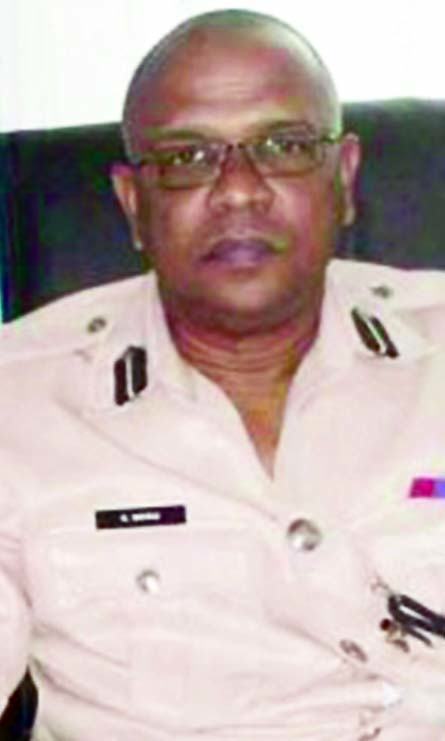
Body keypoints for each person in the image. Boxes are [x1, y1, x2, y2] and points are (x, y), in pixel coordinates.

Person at [1, 8, 445, 740]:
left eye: (284, 146)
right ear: (133, 204)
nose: (240, 190)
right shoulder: (16, 405)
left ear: (343, 177)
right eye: (188, 156)